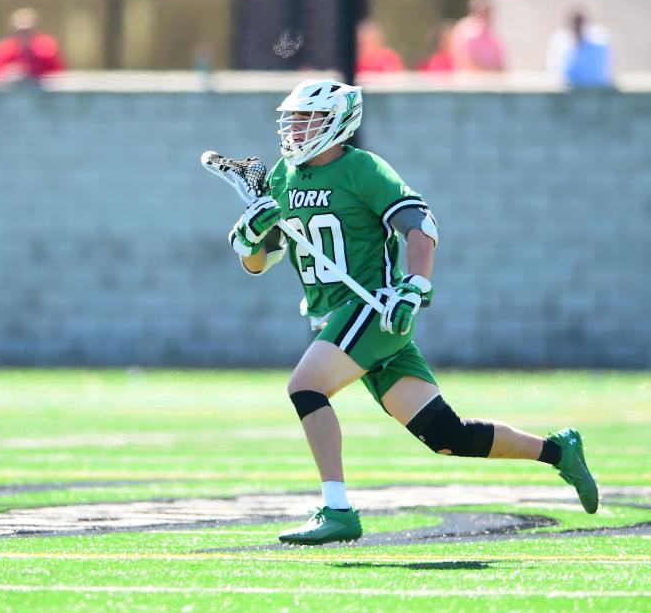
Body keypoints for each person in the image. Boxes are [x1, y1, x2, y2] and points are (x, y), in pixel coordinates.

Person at [227, 78, 598, 546]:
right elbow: (258, 263)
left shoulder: (362, 169)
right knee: (447, 434)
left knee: (305, 386)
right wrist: (251, 238)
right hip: (337, 321)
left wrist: (416, 284)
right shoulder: (282, 175)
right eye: (294, 120)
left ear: (336, 123)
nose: (296, 130)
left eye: (307, 119)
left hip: (371, 310)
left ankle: (337, 508)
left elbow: (419, 226)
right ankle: (558, 451)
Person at [0, 7, 66, 82]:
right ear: (13, 32)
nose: (24, 35)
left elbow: (59, 74)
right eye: (20, 31)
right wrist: (4, 74)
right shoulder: (3, 50)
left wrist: (34, 73)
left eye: (27, 31)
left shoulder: (47, 48)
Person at [547, 11, 613, 88]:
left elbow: (602, 74)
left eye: (579, 25)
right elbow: (557, 73)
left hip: (595, 91)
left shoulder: (600, 43)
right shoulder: (560, 43)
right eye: (575, 25)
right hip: (569, 92)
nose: (577, 28)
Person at [450, 0, 505, 72]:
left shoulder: (491, 33)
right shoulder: (465, 30)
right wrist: (492, 71)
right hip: (469, 82)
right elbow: (468, 63)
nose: (487, 15)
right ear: (473, 10)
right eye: (484, 11)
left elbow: (501, 64)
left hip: (491, 82)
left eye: (489, 11)